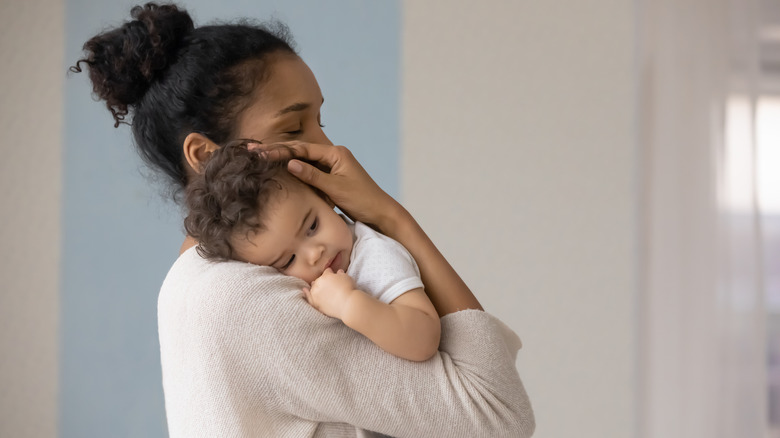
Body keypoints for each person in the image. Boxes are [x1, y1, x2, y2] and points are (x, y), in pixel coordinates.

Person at [72, 3, 535, 437]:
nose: (332, 150)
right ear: (206, 155)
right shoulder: (243, 300)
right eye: (293, 128)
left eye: (320, 121)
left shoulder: (213, 281)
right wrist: (391, 218)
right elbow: (497, 414)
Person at [184, 142, 441, 362]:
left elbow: (425, 337)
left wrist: (349, 304)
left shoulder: (374, 255)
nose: (315, 254)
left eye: (312, 226)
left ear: (325, 197)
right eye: (289, 260)